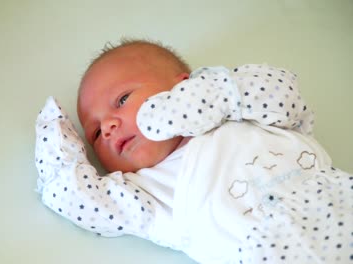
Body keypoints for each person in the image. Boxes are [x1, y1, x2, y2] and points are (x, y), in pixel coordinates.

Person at [35, 39, 352, 263]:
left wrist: (209, 96)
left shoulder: (237, 109)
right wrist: (55, 140)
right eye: (95, 133)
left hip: (339, 203)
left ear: (184, 86)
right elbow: (78, 197)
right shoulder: (148, 191)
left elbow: (284, 93)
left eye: (121, 100)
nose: (108, 128)